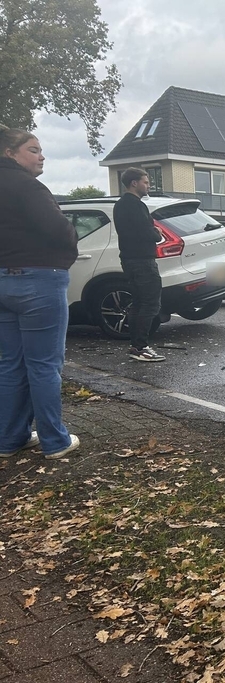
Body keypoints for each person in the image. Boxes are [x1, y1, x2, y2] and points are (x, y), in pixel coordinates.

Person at [0, 125, 80, 460]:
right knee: (45, 365)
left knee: (10, 364)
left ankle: (8, 439)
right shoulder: (28, 186)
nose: (41, 155)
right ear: (10, 153)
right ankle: (54, 441)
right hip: (38, 281)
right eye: (33, 149)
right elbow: (60, 230)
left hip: (2, 282)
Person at [113, 167, 165, 362]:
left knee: (138, 303)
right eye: (145, 181)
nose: (148, 185)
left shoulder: (121, 205)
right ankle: (141, 347)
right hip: (142, 261)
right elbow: (146, 231)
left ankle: (135, 346)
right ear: (134, 183)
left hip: (129, 259)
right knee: (150, 303)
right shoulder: (135, 205)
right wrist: (157, 234)